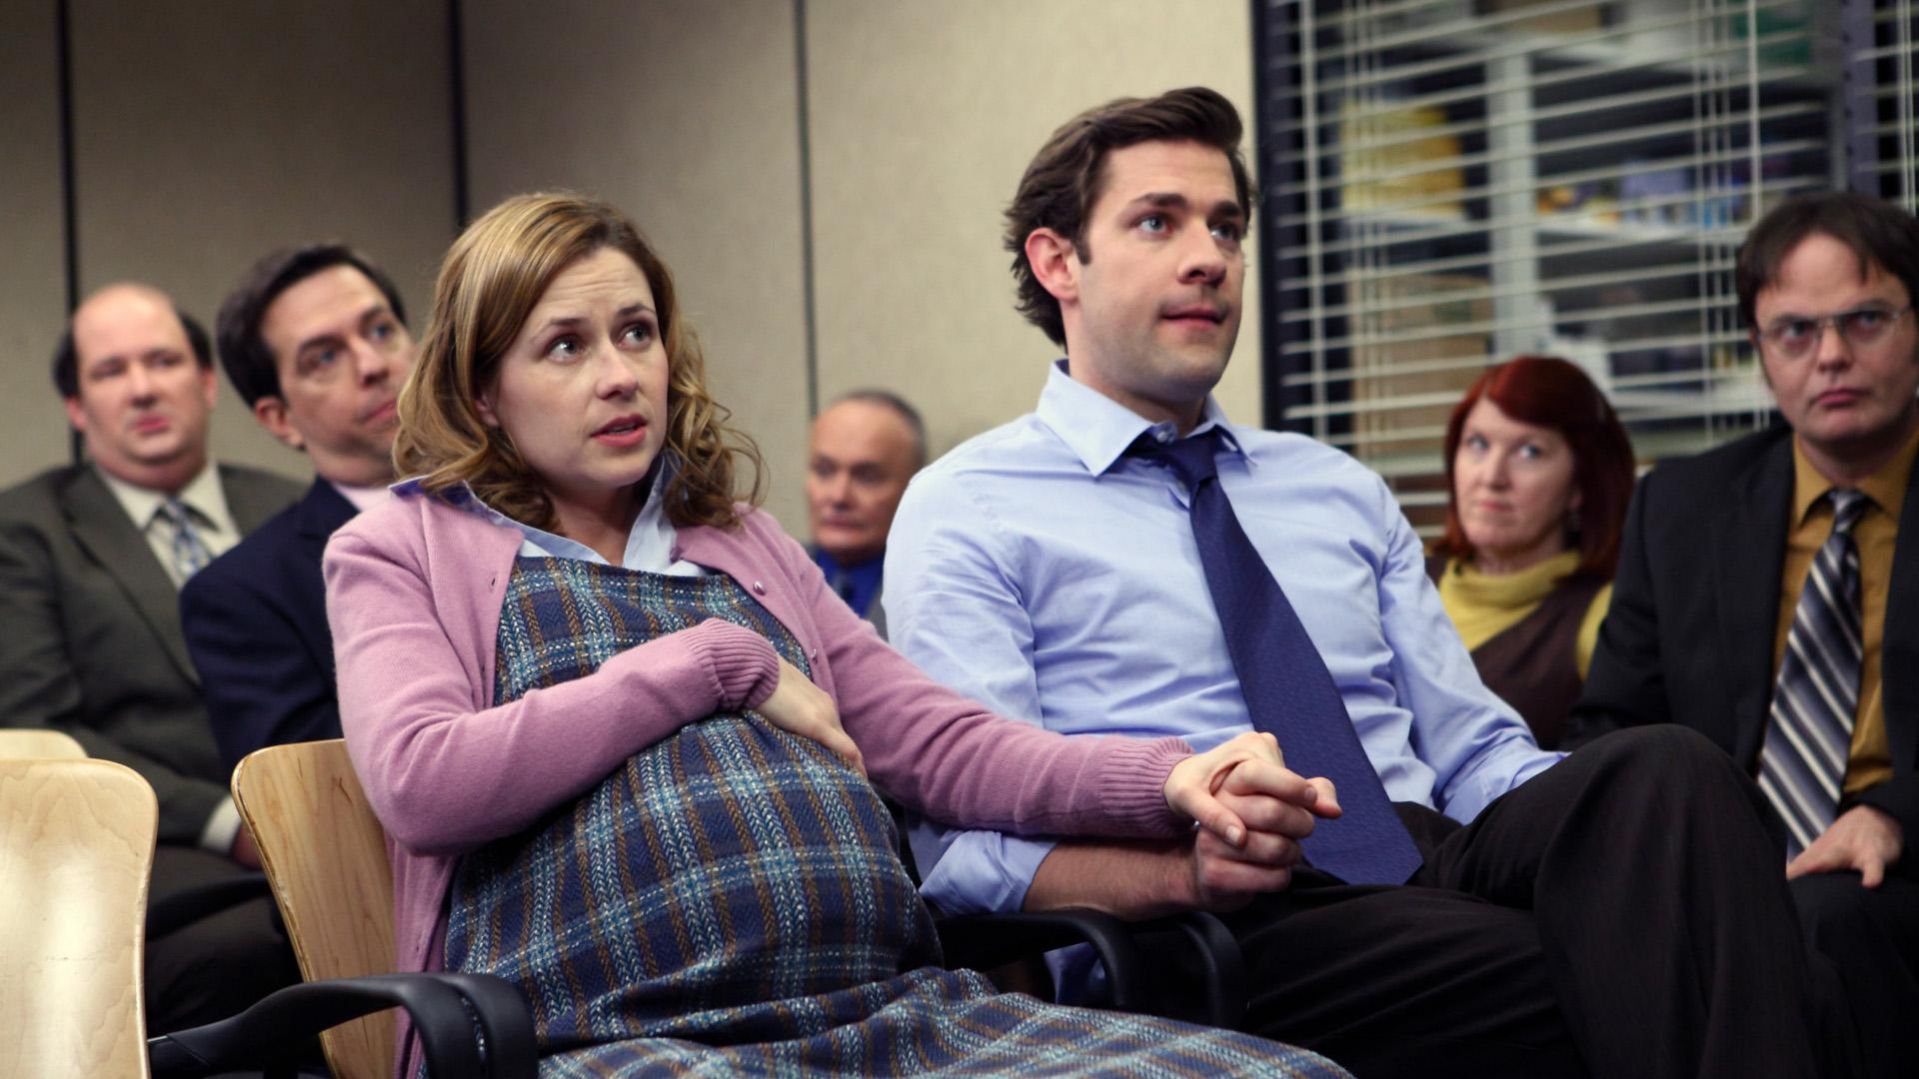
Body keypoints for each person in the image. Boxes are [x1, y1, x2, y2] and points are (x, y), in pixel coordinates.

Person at [884, 86, 1845, 1078]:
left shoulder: (1332, 487)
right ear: (1058, 263)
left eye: (1225, 227)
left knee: (1671, 770)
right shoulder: (970, 505)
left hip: (1421, 850)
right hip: (1214, 915)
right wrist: (1178, 872)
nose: (1209, 257)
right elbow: (964, 852)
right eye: (1157, 222)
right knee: (1692, 969)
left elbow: (1473, 748)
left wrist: (1667, 858)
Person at [323, 192, 1346, 1078]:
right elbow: (424, 780)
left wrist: (1172, 777)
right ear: (482, 393)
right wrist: (713, 661)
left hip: (889, 1013)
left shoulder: (736, 539)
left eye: (636, 332)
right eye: (565, 345)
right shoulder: (403, 546)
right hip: (612, 1037)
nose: (620, 373)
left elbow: (943, 745)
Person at [1573, 190, 1919, 1079]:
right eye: (1794, 331)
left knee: (1822, 921)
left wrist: (1893, 816)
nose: (1830, 355)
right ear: (1761, 353)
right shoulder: (1680, 507)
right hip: (1722, 869)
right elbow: (1612, 727)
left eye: (1864, 320)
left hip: (1894, 874)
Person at [0, 283, 303, 1031]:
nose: (141, 388)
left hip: (323, 811)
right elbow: (41, 732)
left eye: (163, 361)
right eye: (111, 372)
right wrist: (227, 819)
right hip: (153, 836)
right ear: (77, 408)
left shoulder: (293, 507)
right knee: (245, 947)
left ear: (207, 383)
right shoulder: (26, 531)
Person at [181, 244, 415, 767]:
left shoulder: (537, 498)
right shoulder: (240, 596)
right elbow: (312, 791)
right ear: (280, 419)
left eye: (381, 330)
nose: (373, 364)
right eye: (324, 358)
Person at [1426, 355, 1635, 747]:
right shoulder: (1404, 580)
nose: (1491, 476)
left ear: (1580, 484)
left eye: (1530, 452)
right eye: (1477, 444)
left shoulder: (1606, 616)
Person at [805, 389, 924, 636]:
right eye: (824, 471)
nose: (839, 496)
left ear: (914, 487)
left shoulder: (938, 596)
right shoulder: (762, 581)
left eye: (867, 477)